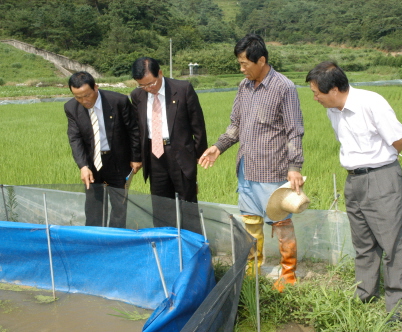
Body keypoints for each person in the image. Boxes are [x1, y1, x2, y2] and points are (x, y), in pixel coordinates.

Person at [305, 61, 402, 322]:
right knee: (363, 242)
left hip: (381, 178)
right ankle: (365, 293)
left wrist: (382, 162)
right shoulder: (333, 111)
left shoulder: (371, 103)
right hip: (353, 181)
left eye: (316, 92)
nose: (315, 97)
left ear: (333, 89)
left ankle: (399, 305)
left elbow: (399, 139)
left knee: (393, 243)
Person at [199, 34, 305, 292]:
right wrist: (218, 147)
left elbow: (294, 130)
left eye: (245, 63)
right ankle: (253, 269)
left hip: (273, 168)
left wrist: (294, 166)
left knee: (280, 222)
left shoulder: (284, 87)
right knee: (250, 221)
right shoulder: (243, 86)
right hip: (246, 167)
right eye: (239, 63)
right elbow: (236, 124)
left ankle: (288, 274)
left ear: (261, 60)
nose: (242, 68)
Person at [130, 57, 207, 229]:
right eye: (142, 85)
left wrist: (198, 154)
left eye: (151, 83)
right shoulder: (137, 96)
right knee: (160, 205)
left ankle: (191, 245)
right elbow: (137, 130)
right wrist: (137, 157)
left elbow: (198, 124)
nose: (148, 89)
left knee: (187, 203)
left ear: (160, 73)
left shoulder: (182, 89)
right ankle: (165, 244)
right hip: (154, 155)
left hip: (179, 152)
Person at [65, 71, 142, 228]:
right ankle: (95, 241)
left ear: (96, 88)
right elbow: (75, 138)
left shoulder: (118, 101)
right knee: (93, 206)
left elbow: (134, 130)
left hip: (118, 161)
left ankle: (115, 240)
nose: (84, 101)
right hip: (92, 163)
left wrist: (136, 157)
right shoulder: (71, 108)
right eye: (78, 97)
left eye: (87, 95)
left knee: (119, 206)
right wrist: (83, 166)